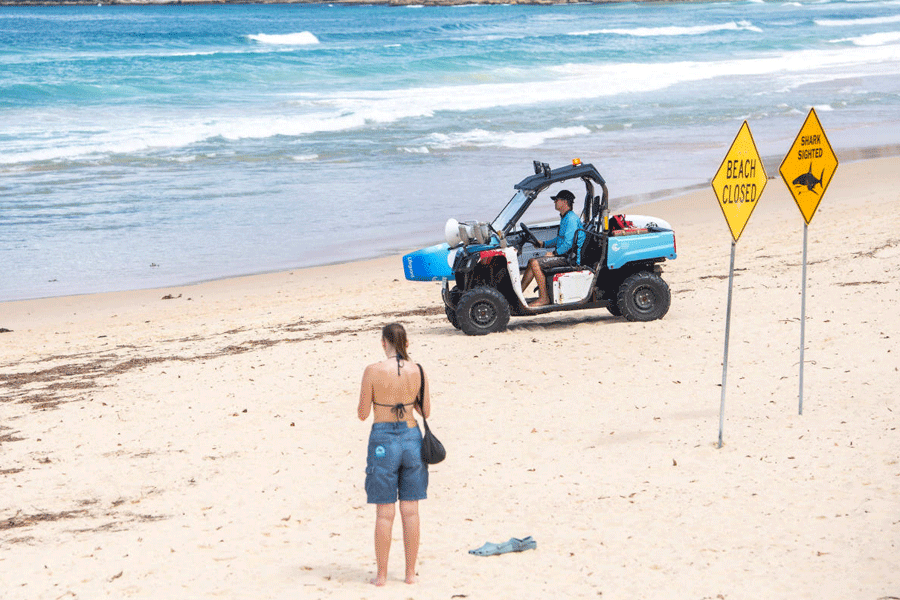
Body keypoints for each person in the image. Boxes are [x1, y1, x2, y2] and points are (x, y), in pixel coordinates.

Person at [357, 323, 431, 586]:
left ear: (383, 343)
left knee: (384, 512)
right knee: (411, 510)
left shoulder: (372, 371)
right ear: (406, 344)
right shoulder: (418, 371)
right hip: (412, 437)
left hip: (383, 440)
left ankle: (381, 576)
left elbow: (363, 413)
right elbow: (426, 412)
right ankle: (410, 574)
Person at [519, 189, 585, 307]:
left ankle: (544, 298)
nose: (554, 202)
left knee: (535, 263)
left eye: (556, 200)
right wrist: (543, 244)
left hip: (570, 257)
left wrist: (555, 253)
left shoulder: (570, 219)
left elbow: (568, 243)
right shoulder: (565, 217)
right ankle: (518, 294)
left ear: (564, 202)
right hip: (565, 254)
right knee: (531, 262)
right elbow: (560, 239)